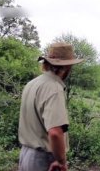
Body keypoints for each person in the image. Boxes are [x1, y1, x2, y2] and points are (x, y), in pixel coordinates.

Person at [18, 42, 83, 171]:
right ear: (68, 66)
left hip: (25, 154)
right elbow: (55, 133)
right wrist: (61, 161)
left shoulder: (32, 83)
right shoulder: (54, 87)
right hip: (43, 160)